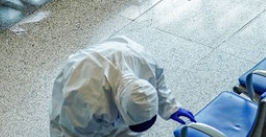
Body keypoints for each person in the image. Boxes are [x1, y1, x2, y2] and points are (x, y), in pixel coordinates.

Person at [50, 36, 196, 136]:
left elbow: (157, 85)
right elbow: (75, 132)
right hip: (82, 78)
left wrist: (170, 107)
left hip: (116, 57)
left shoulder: (145, 63)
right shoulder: (85, 97)